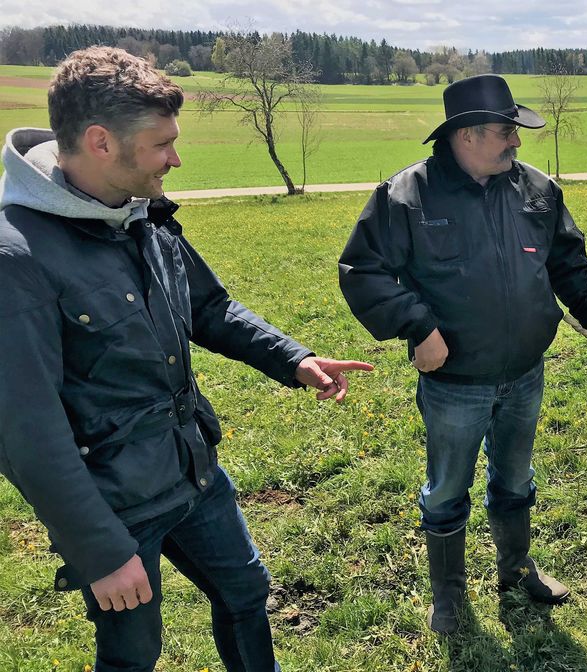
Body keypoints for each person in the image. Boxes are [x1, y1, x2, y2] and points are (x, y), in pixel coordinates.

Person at [0, 46, 373, 671]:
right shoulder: (19, 259)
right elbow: (24, 430)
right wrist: (98, 551)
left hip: (192, 469)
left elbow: (210, 309)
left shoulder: (141, 216)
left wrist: (295, 358)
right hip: (116, 504)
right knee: (132, 654)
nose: (176, 158)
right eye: (161, 144)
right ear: (99, 142)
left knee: (246, 593)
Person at [339, 74, 587, 634]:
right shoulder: (407, 196)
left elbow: (569, 265)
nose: (516, 142)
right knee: (447, 489)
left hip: (525, 372)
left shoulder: (538, 190)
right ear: (467, 135)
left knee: (515, 479)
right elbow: (363, 270)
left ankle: (516, 569)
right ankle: (448, 597)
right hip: (454, 381)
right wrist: (418, 327)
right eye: (505, 131)